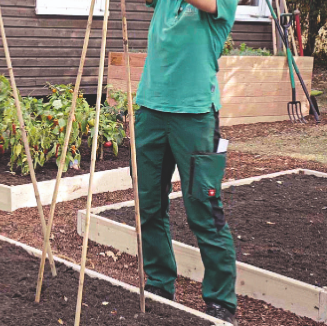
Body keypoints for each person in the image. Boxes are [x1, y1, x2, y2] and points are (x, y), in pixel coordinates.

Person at [134, 0, 239, 324]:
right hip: (150, 111)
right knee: (149, 207)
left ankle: (221, 300)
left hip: (194, 117)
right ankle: (161, 284)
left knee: (205, 213)